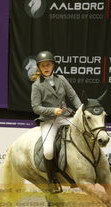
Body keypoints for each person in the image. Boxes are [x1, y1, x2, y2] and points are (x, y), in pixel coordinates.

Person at [31, 50, 82, 193]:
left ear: (53, 65)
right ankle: (52, 180)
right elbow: (35, 107)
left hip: (65, 117)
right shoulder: (37, 85)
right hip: (48, 121)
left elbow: (73, 96)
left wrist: (80, 110)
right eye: (43, 66)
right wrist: (53, 111)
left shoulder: (61, 79)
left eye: (48, 65)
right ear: (39, 68)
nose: (46, 68)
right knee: (47, 151)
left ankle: (103, 164)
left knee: (85, 130)